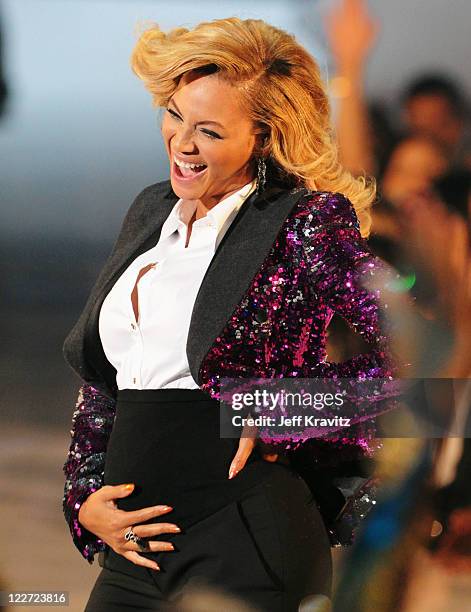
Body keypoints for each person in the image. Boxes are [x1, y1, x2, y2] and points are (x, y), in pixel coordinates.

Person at [61, 17, 396, 612]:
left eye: (209, 132)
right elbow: (113, 377)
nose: (181, 144)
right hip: (134, 552)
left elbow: (420, 362)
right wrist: (87, 498)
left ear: (264, 137)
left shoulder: (304, 222)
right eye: (174, 114)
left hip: (246, 542)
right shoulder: (152, 209)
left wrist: (281, 409)